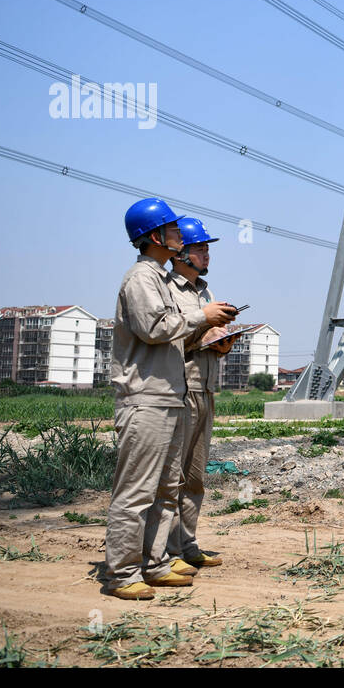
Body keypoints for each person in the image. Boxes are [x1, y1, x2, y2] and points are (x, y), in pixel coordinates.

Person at [103, 198, 235, 600]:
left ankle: (157, 562)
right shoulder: (140, 279)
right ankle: (123, 574)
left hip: (169, 397)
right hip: (145, 398)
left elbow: (173, 335)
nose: (180, 238)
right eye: (174, 231)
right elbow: (153, 328)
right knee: (136, 491)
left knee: (165, 488)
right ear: (154, 237)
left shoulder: (158, 278)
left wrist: (208, 334)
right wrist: (201, 318)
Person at [166, 217, 230, 571]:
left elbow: (203, 335)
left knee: (194, 475)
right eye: (200, 248)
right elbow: (164, 336)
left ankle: (187, 544)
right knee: (173, 474)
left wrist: (221, 343)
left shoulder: (205, 292)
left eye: (207, 248)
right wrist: (201, 332)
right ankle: (168, 551)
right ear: (180, 254)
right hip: (180, 389)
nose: (207, 254)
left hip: (205, 388)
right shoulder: (168, 290)